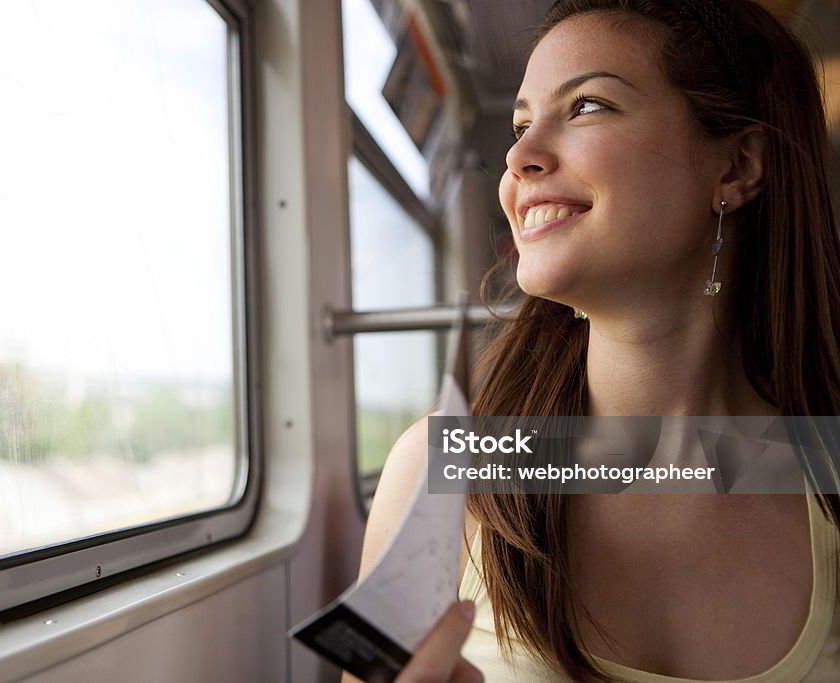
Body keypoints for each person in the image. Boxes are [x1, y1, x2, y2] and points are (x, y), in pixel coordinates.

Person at [344, 0, 840, 681]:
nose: (519, 156)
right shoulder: (441, 470)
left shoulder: (828, 477)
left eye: (587, 107)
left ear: (735, 167)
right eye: (520, 125)